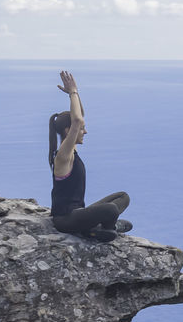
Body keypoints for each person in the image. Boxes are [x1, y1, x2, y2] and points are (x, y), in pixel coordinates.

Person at [48, 70, 132, 240]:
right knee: (111, 210)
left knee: (123, 197)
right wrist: (73, 92)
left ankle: (103, 228)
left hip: (79, 213)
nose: (85, 132)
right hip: (65, 219)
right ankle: (105, 228)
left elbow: (80, 117)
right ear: (68, 131)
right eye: (81, 130)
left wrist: (75, 95)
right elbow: (77, 120)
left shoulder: (72, 151)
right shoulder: (63, 156)